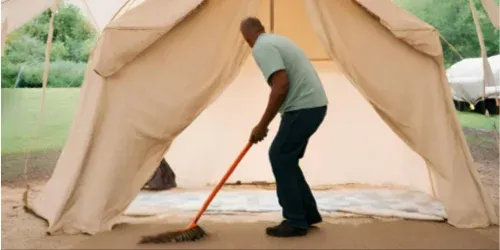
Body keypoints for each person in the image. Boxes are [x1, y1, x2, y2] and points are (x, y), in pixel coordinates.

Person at [240, 17, 329, 237]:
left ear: (247, 37)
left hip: (303, 108)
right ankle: (307, 214)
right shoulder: (276, 40)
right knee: (287, 158)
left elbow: (281, 86)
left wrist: (262, 125)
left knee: (279, 156)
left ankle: (295, 220)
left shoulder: (261, 47)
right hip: (314, 106)